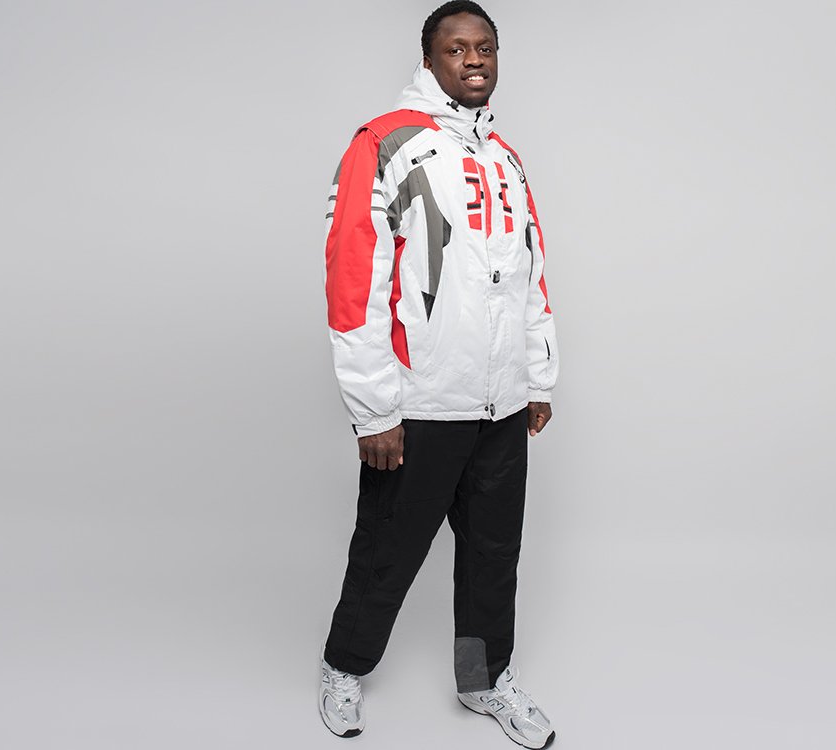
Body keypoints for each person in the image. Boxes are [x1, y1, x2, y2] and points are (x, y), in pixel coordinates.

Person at [317, 2, 559, 747]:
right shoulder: (384, 143)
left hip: (500, 405)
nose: (474, 59)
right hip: (420, 401)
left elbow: (530, 273)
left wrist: (537, 377)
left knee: (492, 557)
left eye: (485, 47)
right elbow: (353, 281)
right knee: (387, 551)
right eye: (456, 48)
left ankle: (482, 680)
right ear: (428, 61)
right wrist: (374, 410)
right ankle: (343, 667)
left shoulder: (506, 158)